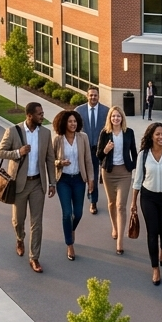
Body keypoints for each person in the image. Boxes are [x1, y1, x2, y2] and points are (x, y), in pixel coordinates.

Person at [0, 102, 56, 273]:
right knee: (18, 220)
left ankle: (34, 257)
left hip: (38, 184)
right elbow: (0, 152)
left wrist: (52, 182)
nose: (42, 116)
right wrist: (17, 153)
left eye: (42, 113)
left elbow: (50, 159)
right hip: (19, 184)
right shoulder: (13, 131)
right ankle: (20, 238)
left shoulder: (45, 133)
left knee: (37, 223)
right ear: (29, 115)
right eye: (39, 114)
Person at [131, 122, 162, 286]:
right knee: (152, 233)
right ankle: (155, 268)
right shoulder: (144, 154)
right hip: (148, 197)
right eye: (158, 134)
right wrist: (133, 203)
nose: (161, 137)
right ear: (151, 136)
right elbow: (137, 180)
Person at [52, 109, 95, 262]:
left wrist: (91, 180)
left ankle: (71, 230)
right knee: (67, 213)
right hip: (63, 180)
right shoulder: (58, 139)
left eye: (75, 121)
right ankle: (70, 244)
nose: (73, 124)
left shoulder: (83, 137)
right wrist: (59, 163)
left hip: (78, 179)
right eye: (70, 121)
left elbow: (88, 160)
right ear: (64, 123)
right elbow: (51, 160)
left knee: (78, 213)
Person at [96, 107, 137, 255]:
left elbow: (134, 152)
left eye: (118, 116)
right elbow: (99, 155)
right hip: (109, 172)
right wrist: (106, 150)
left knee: (121, 205)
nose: (116, 119)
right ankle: (114, 226)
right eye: (113, 116)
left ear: (122, 118)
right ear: (110, 118)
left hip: (124, 172)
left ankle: (120, 239)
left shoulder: (129, 132)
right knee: (112, 203)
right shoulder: (105, 133)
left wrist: (132, 167)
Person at [79, 87, 110, 215]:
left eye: (95, 95)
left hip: (101, 150)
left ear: (98, 96)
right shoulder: (79, 111)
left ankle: (99, 202)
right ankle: (90, 200)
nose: (93, 97)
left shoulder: (106, 111)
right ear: (87, 96)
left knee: (100, 176)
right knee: (88, 176)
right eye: (91, 95)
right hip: (86, 149)